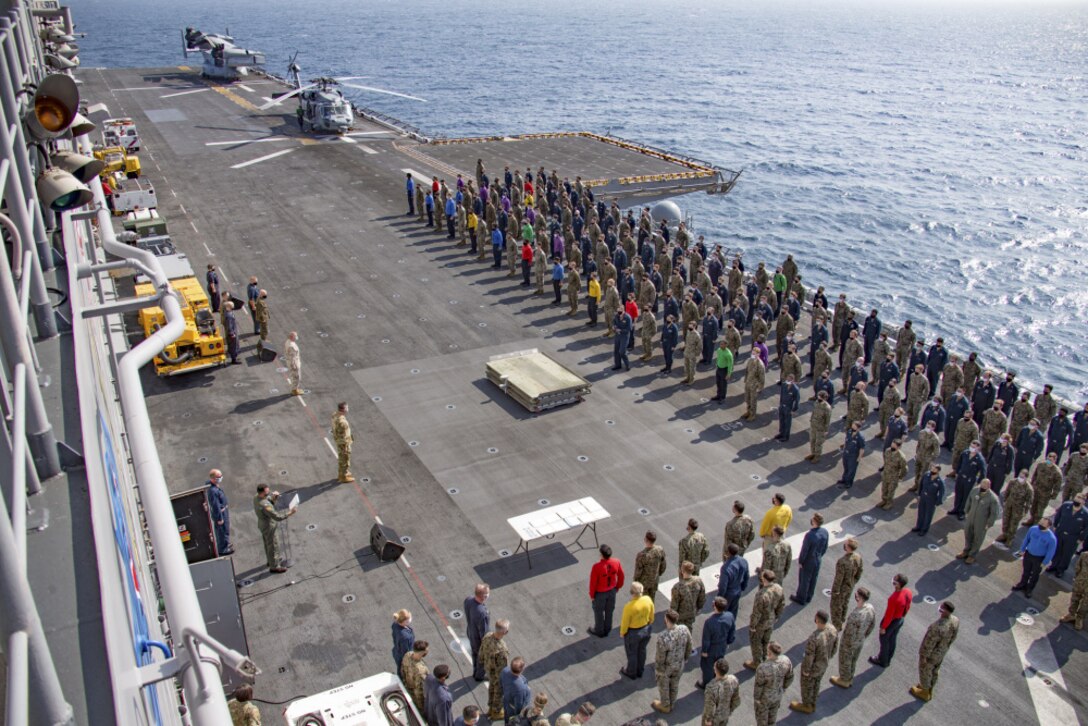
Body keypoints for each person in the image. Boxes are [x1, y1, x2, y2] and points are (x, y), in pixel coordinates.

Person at [789, 610, 838, 714]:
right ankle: (813, 702)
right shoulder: (832, 629)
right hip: (824, 664)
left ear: (818, 620)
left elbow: (809, 656)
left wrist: (806, 670)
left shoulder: (815, 637)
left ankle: (807, 705)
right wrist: (829, 656)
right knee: (816, 683)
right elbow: (835, 647)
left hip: (814, 666)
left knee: (807, 685)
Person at [910, 601, 959, 702]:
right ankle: (930, 687)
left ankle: (924, 692)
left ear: (945, 611)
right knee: (935, 670)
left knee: (925, 670)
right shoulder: (955, 620)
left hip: (931, 654)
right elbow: (954, 636)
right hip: (942, 651)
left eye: (942, 607)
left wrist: (923, 656)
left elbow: (928, 643)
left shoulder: (937, 627)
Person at [831, 587, 876, 688]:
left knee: (845, 660)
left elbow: (849, 632)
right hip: (860, 640)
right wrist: (864, 636)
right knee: (853, 660)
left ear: (859, 597)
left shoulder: (856, 615)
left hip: (849, 643)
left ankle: (844, 680)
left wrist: (845, 643)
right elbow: (872, 625)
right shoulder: (870, 608)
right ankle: (850, 677)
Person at [651, 609, 692, 714]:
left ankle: (665, 705)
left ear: (667, 619)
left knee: (664, 685)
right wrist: (686, 658)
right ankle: (672, 703)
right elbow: (689, 645)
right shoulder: (684, 629)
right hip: (679, 664)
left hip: (667, 667)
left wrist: (659, 671)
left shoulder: (663, 636)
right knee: (674, 684)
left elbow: (660, 657)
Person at [869, 573, 912, 668]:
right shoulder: (908, 592)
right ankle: (888, 657)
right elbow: (908, 606)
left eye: (895, 582)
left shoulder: (893, 599)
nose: (893, 582)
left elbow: (889, 615)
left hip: (892, 621)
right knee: (892, 639)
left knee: (884, 640)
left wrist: (883, 627)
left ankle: (883, 660)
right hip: (900, 619)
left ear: (899, 585)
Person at [744, 571, 785, 671]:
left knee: (756, 641)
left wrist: (752, 626)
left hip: (761, 622)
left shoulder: (761, 594)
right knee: (766, 640)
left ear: (764, 579)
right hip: (771, 620)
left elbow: (757, 613)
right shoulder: (779, 589)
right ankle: (765, 656)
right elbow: (782, 604)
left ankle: (757, 662)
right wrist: (777, 616)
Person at [956, 479, 1002, 564]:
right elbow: (969, 500)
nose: (983, 486)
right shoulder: (975, 490)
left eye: (985, 485)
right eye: (982, 484)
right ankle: (966, 550)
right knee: (968, 534)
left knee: (978, 538)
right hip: (971, 517)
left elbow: (994, 513)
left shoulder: (992, 498)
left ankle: (972, 555)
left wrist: (989, 524)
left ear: (989, 486)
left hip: (981, 521)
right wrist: (966, 511)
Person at [253, 484, 296, 573]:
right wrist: (290, 513)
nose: (268, 494)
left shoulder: (256, 497)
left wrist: (274, 498)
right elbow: (277, 517)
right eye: (266, 493)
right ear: (261, 493)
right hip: (269, 527)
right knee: (273, 546)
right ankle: (275, 566)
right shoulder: (265, 505)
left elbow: (268, 501)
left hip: (262, 524)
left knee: (267, 544)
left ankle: (271, 561)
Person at [1014, 518, 1058, 599]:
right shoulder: (1033, 529)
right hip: (1028, 554)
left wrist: (1045, 562)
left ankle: (1029, 589)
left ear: (1048, 526)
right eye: (1040, 522)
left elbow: (1050, 552)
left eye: (1043, 524)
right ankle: (1022, 584)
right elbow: (1026, 539)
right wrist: (1022, 549)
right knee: (1026, 571)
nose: (1040, 524)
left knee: (1034, 575)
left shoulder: (1051, 538)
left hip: (1039, 559)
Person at [698, 597, 736, 688]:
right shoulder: (730, 616)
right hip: (722, 645)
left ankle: (707, 684)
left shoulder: (709, 622)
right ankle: (717, 677)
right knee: (719, 663)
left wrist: (704, 651)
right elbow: (732, 631)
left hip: (712, 648)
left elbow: (706, 639)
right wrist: (729, 642)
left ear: (715, 607)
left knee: (707, 667)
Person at [619, 582, 655, 679]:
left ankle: (631, 672)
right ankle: (640, 670)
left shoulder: (629, 607)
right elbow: (652, 616)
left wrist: (622, 633)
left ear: (632, 592)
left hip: (633, 633)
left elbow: (625, 622)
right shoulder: (648, 600)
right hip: (646, 629)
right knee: (642, 650)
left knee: (632, 653)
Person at [1047, 494, 1088, 578]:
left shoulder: (1085, 513)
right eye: (1077, 497)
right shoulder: (1066, 505)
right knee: (1057, 550)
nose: (1078, 499)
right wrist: (1055, 526)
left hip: (1073, 537)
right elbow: (1058, 515)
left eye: (1081, 498)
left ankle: (1060, 569)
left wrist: (1081, 538)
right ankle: (1053, 565)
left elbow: (1087, 528)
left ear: (1084, 502)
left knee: (1067, 554)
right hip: (1060, 533)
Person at [753, 642, 793, 726]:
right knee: (772, 718)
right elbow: (790, 677)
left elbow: (759, 686)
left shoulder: (763, 667)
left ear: (769, 653)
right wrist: (783, 687)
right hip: (777, 694)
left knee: (762, 719)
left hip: (765, 698)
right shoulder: (786, 661)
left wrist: (757, 699)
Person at [792, 514, 829, 605]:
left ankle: (801, 597)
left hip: (809, 560)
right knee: (813, 578)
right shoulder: (824, 532)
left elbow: (804, 550)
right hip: (818, 558)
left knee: (804, 579)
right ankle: (809, 596)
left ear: (814, 522)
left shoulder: (810, 535)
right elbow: (825, 547)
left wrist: (801, 561)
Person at [588, 544, 625, 637]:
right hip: (612, 591)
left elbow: (593, 583)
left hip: (600, 593)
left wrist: (592, 595)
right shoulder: (616, 562)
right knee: (609, 610)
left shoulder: (596, 567)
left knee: (598, 612)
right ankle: (608, 628)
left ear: (601, 554)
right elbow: (621, 576)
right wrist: (617, 587)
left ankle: (599, 630)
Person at [479, 620, 510, 720]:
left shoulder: (488, 636)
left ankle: (490, 708)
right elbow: (503, 669)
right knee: (498, 692)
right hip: (497, 674)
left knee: (491, 688)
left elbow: (481, 651)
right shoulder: (502, 649)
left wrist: (482, 661)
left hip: (488, 669)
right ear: (505, 632)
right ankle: (496, 712)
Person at [829, 538, 863, 629]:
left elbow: (838, 579)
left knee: (836, 607)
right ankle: (842, 619)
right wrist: (854, 581)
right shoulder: (858, 557)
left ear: (848, 547)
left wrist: (835, 592)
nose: (844, 545)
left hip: (841, 588)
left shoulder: (842, 561)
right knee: (844, 604)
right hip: (850, 586)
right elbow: (860, 571)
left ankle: (837, 626)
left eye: (846, 544)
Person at [997, 470, 1034, 546]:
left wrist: (1025, 512)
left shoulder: (1029, 489)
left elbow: (1029, 502)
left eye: (1022, 477)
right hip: (1009, 504)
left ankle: (1010, 539)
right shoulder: (1013, 482)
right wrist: (1005, 501)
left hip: (1018, 509)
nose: (1020, 478)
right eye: (1020, 476)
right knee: (1006, 520)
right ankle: (1004, 534)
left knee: (1013, 524)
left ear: (1026, 478)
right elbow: (1007, 491)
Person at [702, 658, 741, 726]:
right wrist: (729, 711)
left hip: (714, 720)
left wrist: (708, 720)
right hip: (725, 715)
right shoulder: (733, 680)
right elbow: (736, 700)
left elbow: (710, 707)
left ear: (715, 670)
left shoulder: (711, 687)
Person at [464, 583, 490, 681]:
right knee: (482, 657)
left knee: (474, 654)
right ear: (484, 596)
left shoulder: (468, 600)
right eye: (487, 593)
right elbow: (484, 632)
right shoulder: (482, 613)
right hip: (478, 639)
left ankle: (475, 670)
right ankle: (479, 675)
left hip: (470, 631)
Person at [671, 560, 707, 629]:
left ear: (682, 571)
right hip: (692, 612)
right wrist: (699, 608)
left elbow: (674, 606)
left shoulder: (677, 587)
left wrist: (672, 620)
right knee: (689, 629)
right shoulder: (698, 581)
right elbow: (702, 597)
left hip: (680, 616)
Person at [717, 544, 749, 617]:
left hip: (728, 593)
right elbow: (746, 576)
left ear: (728, 552)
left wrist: (719, 598)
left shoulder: (726, 567)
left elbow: (723, 586)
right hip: (738, 590)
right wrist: (743, 587)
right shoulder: (743, 561)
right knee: (733, 612)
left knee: (722, 614)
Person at [206, 469, 233, 555]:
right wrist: (220, 518)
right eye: (218, 477)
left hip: (223, 510)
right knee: (223, 531)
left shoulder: (214, 485)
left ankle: (226, 544)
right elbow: (215, 505)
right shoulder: (213, 490)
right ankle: (223, 550)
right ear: (213, 478)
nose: (221, 478)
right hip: (221, 513)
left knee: (225, 530)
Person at [1059, 549, 1088, 629]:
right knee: (1074, 598)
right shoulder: (1084, 555)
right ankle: (1071, 614)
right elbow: (1078, 567)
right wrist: (1076, 577)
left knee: (1085, 604)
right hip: (1080, 582)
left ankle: (1079, 618)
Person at [914, 465, 946, 536]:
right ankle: (918, 526)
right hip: (923, 497)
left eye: (934, 469)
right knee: (921, 513)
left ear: (938, 471)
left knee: (928, 516)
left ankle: (924, 529)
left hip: (931, 500)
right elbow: (921, 484)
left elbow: (942, 493)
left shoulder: (940, 482)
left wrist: (937, 502)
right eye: (932, 468)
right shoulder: (926, 475)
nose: (932, 470)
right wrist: (919, 495)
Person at [634, 531, 667, 598]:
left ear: (646, 539)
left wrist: (635, 583)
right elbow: (663, 565)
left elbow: (637, 573)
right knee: (651, 601)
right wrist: (658, 574)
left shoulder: (642, 555)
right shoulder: (660, 550)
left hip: (644, 584)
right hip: (654, 581)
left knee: (643, 601)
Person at [877, 439, 908, 510]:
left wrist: (900, 477)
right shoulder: (888, 451)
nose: (892, 447)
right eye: (892, 445)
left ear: (899, 447)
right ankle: (884, 500)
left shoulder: (901, 457)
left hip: (894, 477)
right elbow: (885, 462)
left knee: (890, 491)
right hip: (886, 474)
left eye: (894, 446)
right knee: (884, 489)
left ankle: (889, 503)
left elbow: (905, 469)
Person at [402, 641, 429, 712]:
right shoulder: (421, 670)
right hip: (414, 694)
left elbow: (402, 670)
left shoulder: (407, 655)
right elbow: (419, 691)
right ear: (422, 653)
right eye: (426, 650)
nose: (427, 651)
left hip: (406, 686)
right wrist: (422, 707)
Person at [837, 420, 866, 489]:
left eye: (854, 426)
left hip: (853, 456)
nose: (852, 427)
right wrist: (844, 449)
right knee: (846, 468)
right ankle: (844, 480)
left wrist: (859, 458)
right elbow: (846, 441)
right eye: (852, 426)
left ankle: (848, 483)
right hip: (846, 453)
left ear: (858, 428)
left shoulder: (860, 437)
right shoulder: (849, 432)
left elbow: (862, 449)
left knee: (851, 470)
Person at [332, 402, 354, 483]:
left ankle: (343, 473)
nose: (348, 409)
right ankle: (343, 476)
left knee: (342, 459)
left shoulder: (335, 415)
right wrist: (345, 447)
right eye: (347, 408)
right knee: (344, 460)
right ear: (344, 409)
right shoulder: (342, 422)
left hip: (338, 440)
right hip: (343, 444)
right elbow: (342, 436)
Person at [776, 374, 800, 441]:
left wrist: (794, 410)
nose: (788, 381)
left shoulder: (795, 389)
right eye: (787, 379)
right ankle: (781, 433)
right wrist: (780, 404)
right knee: (781, 420)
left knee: (787, 422)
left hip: (788, 408)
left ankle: (785, 437)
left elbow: (797, 400)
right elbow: (781, 395)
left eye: (789, 380)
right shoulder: (784, 385)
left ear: (793, 380)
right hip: (782, 406)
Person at [613, 307, 633, 371]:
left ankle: (627, 365)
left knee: (622, 351)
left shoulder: (628, 318)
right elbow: (614, 322)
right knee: (616, 351)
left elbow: (629, 329)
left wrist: (621, 330)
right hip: (618, 335)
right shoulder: (617, 316)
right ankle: (618, 365)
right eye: (618, 312)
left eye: (620, 312)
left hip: (624, 336)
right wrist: (614, 327)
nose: (619, 314)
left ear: (623, 311)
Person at [284, 331, 302, 395]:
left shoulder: (288, 341)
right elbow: (292, 358)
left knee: (294, 376)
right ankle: (294, 390)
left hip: (291, 361)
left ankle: (295, 388)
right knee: (297, 377)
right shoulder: (291, 346)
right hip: (294, 363)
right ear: (292, 337)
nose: (296, 337)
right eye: (295, 336)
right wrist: (295, 366)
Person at [254, 289, 270, 353]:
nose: (265, 296)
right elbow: (261, 311)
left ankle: (263, 342)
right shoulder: (260, 302)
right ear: (261, 294)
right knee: (264, 331)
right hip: (263, 319)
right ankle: (262, 345)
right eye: (264, 295)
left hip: (263, 318)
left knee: (264, 331)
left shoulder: (260, 299)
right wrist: (263, 319)